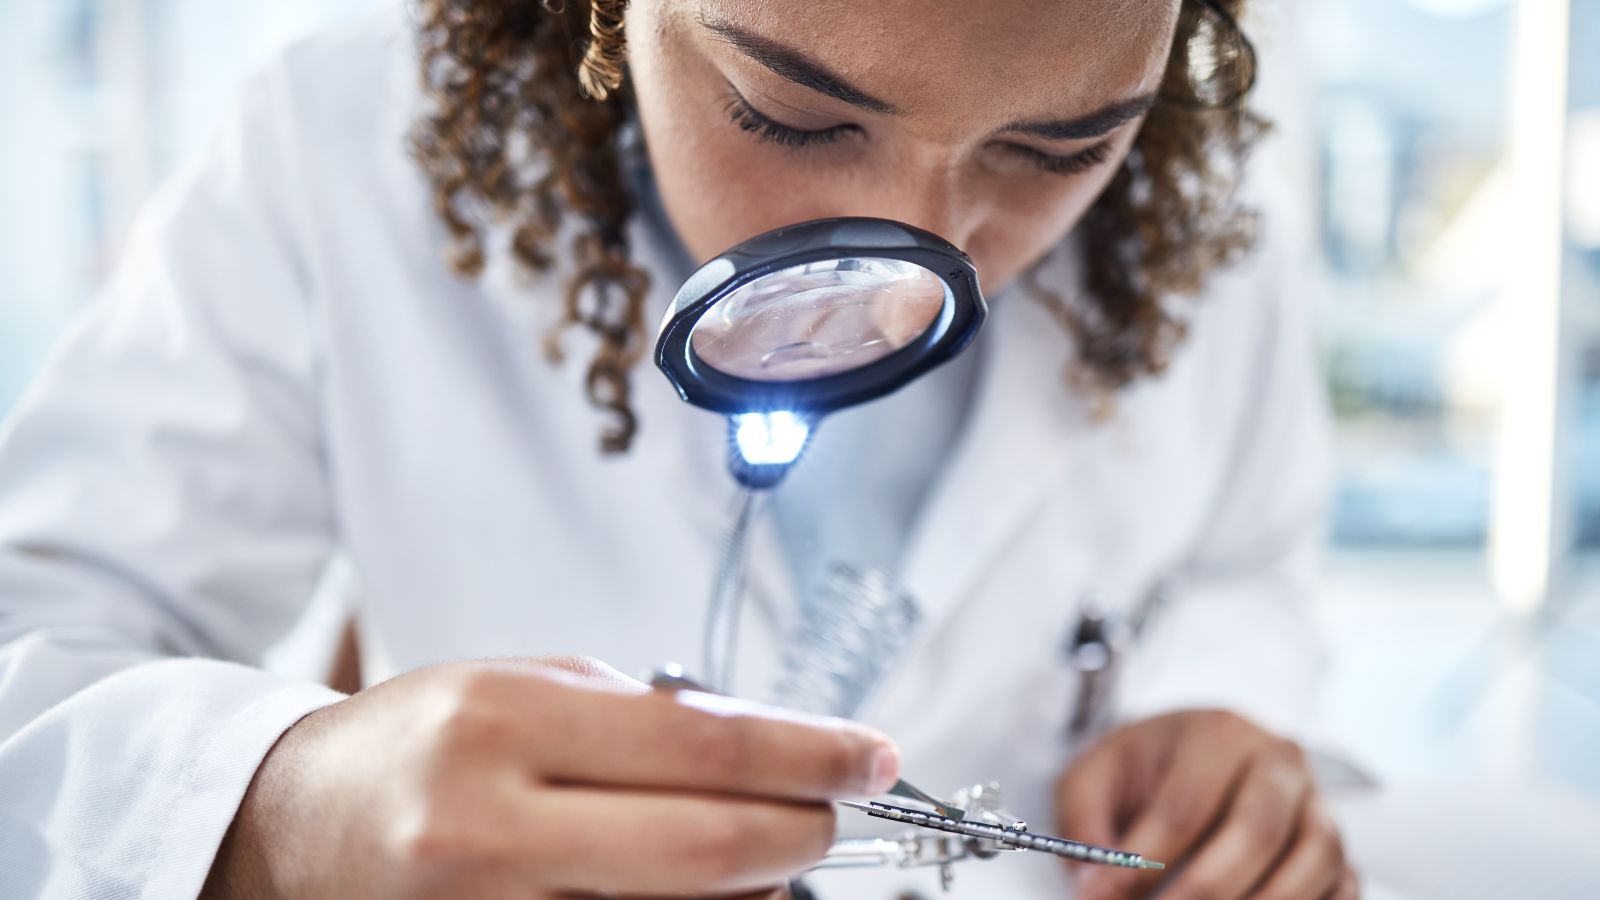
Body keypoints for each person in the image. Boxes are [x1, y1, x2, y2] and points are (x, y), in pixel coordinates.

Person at [0, 0, 1358, 897]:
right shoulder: (334, 155)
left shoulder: (1213, 233)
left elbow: (1249, 564)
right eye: (792, 115)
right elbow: (34, 645)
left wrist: (1221, 711)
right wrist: (276, 816)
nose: (905, 276)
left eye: (1054, 148)